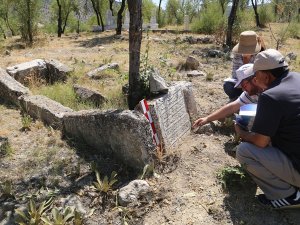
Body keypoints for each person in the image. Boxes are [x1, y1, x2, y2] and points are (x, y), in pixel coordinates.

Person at [234, 49, 300, 209]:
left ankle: (289, 196)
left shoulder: (271, 96)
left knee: (244, 151)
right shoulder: (297, 78)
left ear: (265, 75)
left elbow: (261, 142)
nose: (255, 80)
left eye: (256, 76)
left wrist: (241, 132)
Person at [192, 63, 261, 128]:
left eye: (244, 85)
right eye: (241, 86)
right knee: (246, 112)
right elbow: (231, 107)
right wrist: (207, 118)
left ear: (254, 79)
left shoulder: (268, 90)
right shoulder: (250, 93)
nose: (243, 89)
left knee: (250, 114)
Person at [223, 30, 266, 102]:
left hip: (256, 84)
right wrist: (242, 82)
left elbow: (262, 75)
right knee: (228, 86)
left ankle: (246, 98)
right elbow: (235, 74)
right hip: (242, 84)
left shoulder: (261, 55)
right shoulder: (237, 55)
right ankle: (242, 98)